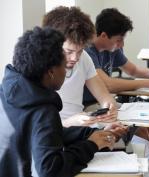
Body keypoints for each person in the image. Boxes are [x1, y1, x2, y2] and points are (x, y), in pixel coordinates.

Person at [0, 27, 127, 177]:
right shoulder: (43, 110)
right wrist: (92, 145)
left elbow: (49, 134)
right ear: (51, 72)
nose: (66, 70)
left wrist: (94, 134)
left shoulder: (9, 92)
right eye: (63, 65)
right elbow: (50, 170)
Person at [42, 6, 118, 127]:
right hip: (54, 133)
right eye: (69, 51)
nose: (75, 58)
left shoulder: (84, 58)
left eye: (80, 51)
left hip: (79, 127)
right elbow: (38, 129)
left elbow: (104, 97)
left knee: (118, 132)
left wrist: (109, 107)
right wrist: (70, 122)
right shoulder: (39, 67)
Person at [83, 8, 149, 104]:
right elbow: (107, 84)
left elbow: (133, 70)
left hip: (101, 101)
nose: (122, 45)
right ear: (103, 36)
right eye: (119, 40)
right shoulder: (87, 51)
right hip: (87, 105)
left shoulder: (111, 48)